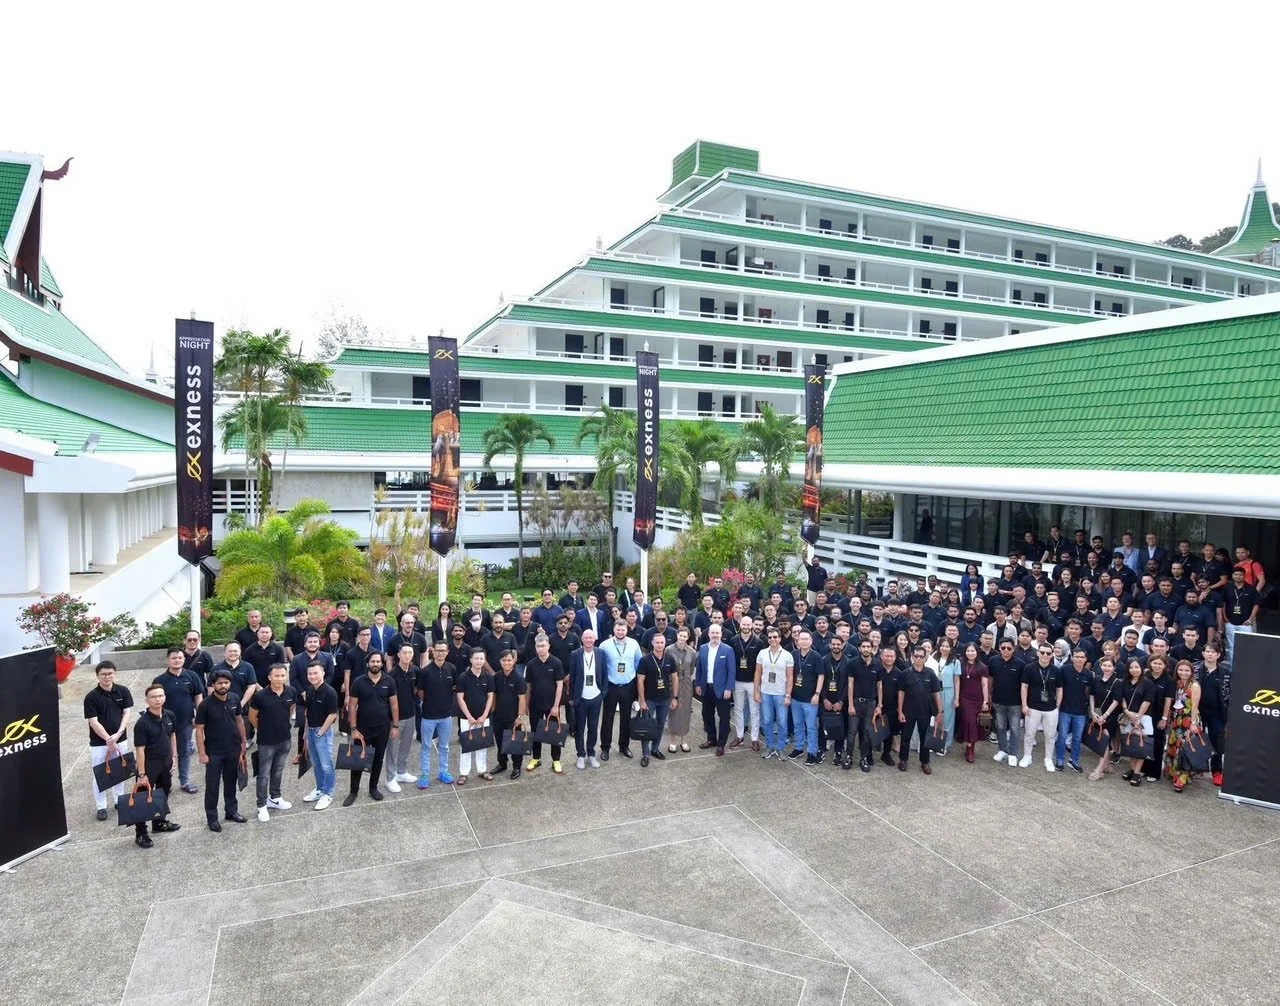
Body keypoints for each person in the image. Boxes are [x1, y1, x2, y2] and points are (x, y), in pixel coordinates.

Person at [194, 668, 248, 831]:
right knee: (212, 786)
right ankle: (212, 818)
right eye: (220, 683)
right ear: (213, 685)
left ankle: (231, 811)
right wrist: (202, 753)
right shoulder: (205, 705)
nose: (223, 686)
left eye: (226, 682)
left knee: (231, 782)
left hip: (233, 749)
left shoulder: (234, 698)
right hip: (214, 752)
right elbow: (199, 730)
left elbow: (239, 720)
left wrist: (243, 741)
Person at [346, 651, 400, 803]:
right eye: (372, 661)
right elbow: (352, 706)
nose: (375, 664)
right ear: (367, 663)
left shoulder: (389, 681)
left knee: (378, 759)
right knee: (358, 760)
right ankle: (353, 791)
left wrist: (395, 726)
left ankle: (373, 788)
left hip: (382, 728)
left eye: (378, 661)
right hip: (362, 730)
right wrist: (353, 728)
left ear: (382, 663)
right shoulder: (358, 682)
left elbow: (394, 705)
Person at [131, 683, 180, 847]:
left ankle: (159, 823)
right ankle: (140, 833)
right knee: (143, 800)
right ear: (147, 700)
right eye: (153, 697)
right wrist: (142, 774)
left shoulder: (170, 715)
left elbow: (172, 736)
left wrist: (174, 756)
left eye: (160, 695)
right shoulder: (142, 723)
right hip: (148, 765)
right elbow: (140, 750)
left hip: (165, 762)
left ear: (165, 697)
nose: (157, 699)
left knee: (163, 794)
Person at [84, 661, 134, 822]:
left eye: (110, 673)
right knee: (100, 774)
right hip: (99, 743)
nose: (107, 676)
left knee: (119, 771)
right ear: (97, 676)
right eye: (103, 674)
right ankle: (101, 807)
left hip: (120, 738)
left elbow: (126, 713)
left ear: (115, 673)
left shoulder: (123, 691)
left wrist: (118, 734)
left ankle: (119, 800)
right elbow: (93, 721)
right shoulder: (91, 697)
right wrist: (108, 739)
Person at [152, 647, 205, 795]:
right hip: (164, 724)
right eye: (174, 658)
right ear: (168, 660)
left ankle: (185, 781)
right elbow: (154, 700)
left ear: (184, 659)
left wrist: (198, 715)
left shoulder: (192, 676)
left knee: (184, 752)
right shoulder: (159, 680)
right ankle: (164, 784)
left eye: (180, 658)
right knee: (165, 754)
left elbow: (198, 697)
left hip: (186, 722)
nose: (177, 660)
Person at [248, 663, 296, 822]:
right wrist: (262, 729)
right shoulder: (260, 696)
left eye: (283, 675)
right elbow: (252, 717)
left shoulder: (291, 691)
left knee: (278, 770)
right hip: (266, 742)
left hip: (285, 739)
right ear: (269, 677)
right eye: (276, 675)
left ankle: (275, 798)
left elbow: (290, 710)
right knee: (263, 775)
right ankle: (261, 805)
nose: (280, 678)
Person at [416, 640, 457, 788]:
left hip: (446, 716)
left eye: (443, 650)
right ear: (432, 651)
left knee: (444, 746)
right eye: (438, 650)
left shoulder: (451, 669)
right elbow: (420, 691)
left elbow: (454, 687)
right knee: (426, 746)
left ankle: (443, 772)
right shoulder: (425, 671)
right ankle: (425, 774)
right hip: (428, 716)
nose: (440, 653)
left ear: (447, 652)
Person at [897, 647, 944, 774]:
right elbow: (901, 693)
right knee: (905, 737)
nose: (918, 658)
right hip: (908, 711)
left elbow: (936, 693)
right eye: (916, 656)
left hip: (925, 711)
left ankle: (925, 762)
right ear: (912, 656)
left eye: (921, 656)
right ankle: (903, 760)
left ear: (925, 657)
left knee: (925, 738)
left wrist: (940, 711)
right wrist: (900, 711)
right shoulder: (905, 673)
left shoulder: (930, 673)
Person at [523, 633, 566, 774]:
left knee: (554, 733)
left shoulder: (556, 663)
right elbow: (528, 687)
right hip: (535, 704)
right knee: (535, 732)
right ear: (535, 647)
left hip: (552, 705)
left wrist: (556, 706)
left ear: (548, 646)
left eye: (543, 646)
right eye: (538, 646)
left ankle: (556, 760)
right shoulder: (531, 664)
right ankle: (536, 758)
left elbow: (560, 685)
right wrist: (527, 705)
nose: (540, 649)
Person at [600, 619, 642, 760]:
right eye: (618, 629)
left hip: (628, 686)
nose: (620, 632)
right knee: (607, 718)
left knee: (626, 718)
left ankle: (624, 746)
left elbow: (638, 664)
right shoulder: (604, 645)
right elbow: (600, 667)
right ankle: (605, 747)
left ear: (626, 630)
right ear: (614, 630)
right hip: (611, 686)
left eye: (623, 629)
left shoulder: (634, 644)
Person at [300, 661, 339, 810]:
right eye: (310, 673)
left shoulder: (330, 692)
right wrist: (305, 731)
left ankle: (328, 793)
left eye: (316, 673)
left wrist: (321, 732)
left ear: (323, 673)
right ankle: (320, 789)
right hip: (311, 731)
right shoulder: (309, 690)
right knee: (316, 764)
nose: (313, 676)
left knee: (326, 764)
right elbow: (307, 712)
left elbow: (332, 714)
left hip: (323, 732)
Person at [636, 632, 677, 767]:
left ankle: (655, 748)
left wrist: (674, 697)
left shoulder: (670, 658)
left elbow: (675, 678)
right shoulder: (645, 660)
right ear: (652, 643)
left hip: (665, 699)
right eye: (657, 642)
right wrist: (642, 700)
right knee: (646, 727)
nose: (660, 645)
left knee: (660, 726)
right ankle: (646, 754)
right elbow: (640, 681)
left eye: (662, 642)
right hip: (649, 699)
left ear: (665, 644)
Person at [1019, 644, 1063, 771]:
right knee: (1029, 734)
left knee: (1050, 736)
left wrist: (1057, 706)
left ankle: (1048, 758)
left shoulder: (1056, 670)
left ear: (1052, 654)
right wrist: (1024, 705)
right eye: (1042, 652)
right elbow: (1024, 687)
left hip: (1051, 709)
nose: (1045, 656)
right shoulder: (1029, 668)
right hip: (1033, 707)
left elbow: (1059, 689)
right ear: (1037, 653)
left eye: (1048, 653)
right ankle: (1027, 756)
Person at [753, 627, 793, 760]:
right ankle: (770, 746)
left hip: (781, 693)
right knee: (767, 721)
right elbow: (758, 673)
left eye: (775, 637)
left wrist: (788, 695)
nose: (772, 639)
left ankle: (780, 748)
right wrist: (756, 691)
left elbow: (790, 677)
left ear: (780, 638)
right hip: (766, 692)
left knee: (782, 721)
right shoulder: (762, 653)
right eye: (770, 637)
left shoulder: (787, 655)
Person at [383, 645, 419, 791]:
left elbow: (416, 690)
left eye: (410, 652)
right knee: (392, 748)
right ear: (398, 654)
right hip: (395, 719)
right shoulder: (391, 675)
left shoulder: (414, 671)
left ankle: (401, 772)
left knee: (406, 745)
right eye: (404, 652)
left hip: (411, 714)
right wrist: (395, 723)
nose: (407, 655)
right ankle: (390, 778)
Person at [456, 648, 495, 784]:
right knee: (466, 745)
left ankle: (482, 770)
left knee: (482, 744)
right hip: (466, 718)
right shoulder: (463, 677)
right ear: (471, 659)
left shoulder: (489, 677)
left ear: (484, 660)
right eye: (476, 658)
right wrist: (469, 717)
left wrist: (485, 715)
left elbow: (490, 697)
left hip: (484, 717)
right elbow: (460, 698)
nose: (479, 661)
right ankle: (463, 773)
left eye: (481, 659)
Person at [696, 623, 735, 755]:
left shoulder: (728, 650)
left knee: (724, 717)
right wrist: (698, 685)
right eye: (712, 633)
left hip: (722, 690)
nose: (715, 635)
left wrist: (729, 688)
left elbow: (731, 671)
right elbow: (700, 668)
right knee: (707, 715)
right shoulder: (703, 648)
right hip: (706, 688)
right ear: (708, 634)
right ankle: (711, 739)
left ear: (721, 634)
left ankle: (721, 743)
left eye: (717, 633)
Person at [1165, 659, 1202, 792]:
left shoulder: (1195, 686)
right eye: (1181, 670)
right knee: (1174, 746)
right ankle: (1173, 773)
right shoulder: (1177, 683)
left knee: (1184, 749)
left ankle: (1182, 778)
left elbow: (1195, 707)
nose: (1183, 672)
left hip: (1188, 720)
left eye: (1186, 670)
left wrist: (1193, 723)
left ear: (1191, 671)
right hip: (1176, 719)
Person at [569, 629, 604, 769]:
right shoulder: (575, 654)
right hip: (580, 698)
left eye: (591, 637)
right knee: (580, 728)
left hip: (596, 696)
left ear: (594, 639)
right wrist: (572, 697)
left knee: (593, 728)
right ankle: (581, 755)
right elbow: (572, 677)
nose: (588, 640)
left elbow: (604, 674)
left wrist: (603, 693)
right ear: (581, 639)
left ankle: (591, 754)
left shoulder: (601, 653)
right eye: (586, 638)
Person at [1195, 642, 1229, 787]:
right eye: (1207, 651)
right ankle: (1198, 767)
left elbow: (1229, 694)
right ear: (1203, 654)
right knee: (1197, 739)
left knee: (1218, 741)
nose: (1210, 654)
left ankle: (1217, 771)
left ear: (1218, 655)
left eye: (1213, 652)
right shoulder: (1195, 669)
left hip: (1217, 713)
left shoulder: (1226, 672)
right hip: (1197, 711)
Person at [492, 649, 529, 780]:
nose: (506, 662)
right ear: (500, 662)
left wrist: (520, 716)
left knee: (515, 743)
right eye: (504, 660)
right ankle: (502, 764)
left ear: (514, 661)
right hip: (497, 716)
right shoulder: (496, 677)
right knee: (500, 742)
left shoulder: (518, 678)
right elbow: (493, 696)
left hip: (513, 718)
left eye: (509, 660)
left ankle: (516, 766)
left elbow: (522, 699)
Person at [1054, 647, 1093, 773]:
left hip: (1081, 712)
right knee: (1062, 736)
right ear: (1072, 657)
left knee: (1077, 738)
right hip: (1065, 709)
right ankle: (1060, 760)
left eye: (1082, 657)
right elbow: (1058, 688)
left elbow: (1088, 692)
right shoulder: (1064, 670)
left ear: (1086, 659)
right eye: (1076, 656)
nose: (1079, 659)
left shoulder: (1088, 674)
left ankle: (1074, 761)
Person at [789, 630, 825, 764]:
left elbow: (821, 676)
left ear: (811, 641)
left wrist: (817, 694)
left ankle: (812, 752)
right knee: (798, 725)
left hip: (810, 699)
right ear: (797, 641)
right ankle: (799, 748)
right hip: (795, 697)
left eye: (806, 639)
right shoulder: (793, 654)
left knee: (811, 727)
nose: (803, 641)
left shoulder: (816, 657)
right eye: (801, 639)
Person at [1119, 657, 1154, 787]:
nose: (1134, 670)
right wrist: (1126, 711)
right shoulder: (1124, 682)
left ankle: (1137, 773)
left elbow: (1147, 701)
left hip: (1143, 717)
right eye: (1131, 667)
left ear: (1141, 668)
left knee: (1140, 744)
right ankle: (1133, 769)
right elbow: (1121, 698)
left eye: (1137, 667)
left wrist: (1138, 716)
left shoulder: (1147, 683)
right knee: (1130, 743)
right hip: (1128, 716)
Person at [1086, 656, 1122, 781]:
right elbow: (1091, 695)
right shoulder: (1096, 679)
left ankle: (1100, 769)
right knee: (1103, 740)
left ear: (1114, 667)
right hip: (1096, 714)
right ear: (1101, 666)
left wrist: (1105, 715)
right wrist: (1092, 712)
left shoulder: (1117, 682)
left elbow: (1116, 701)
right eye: (1104, 665)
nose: (1107, 668)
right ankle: (1106, 765)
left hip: (1109, 716)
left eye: (1109, 666)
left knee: (1105, 741)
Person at [730, 617, 763, 751]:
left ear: (752, 625)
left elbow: (761, 664)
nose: (745, 626)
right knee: (738, 709)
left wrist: (758, 683)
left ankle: (755, 739)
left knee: (754, 711)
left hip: (752, 682)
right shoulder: (733, 640)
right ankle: (739, 736)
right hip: (737, 681)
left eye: (748, 624)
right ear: (740, 624)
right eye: (743, 624)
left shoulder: (759, 642)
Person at [1143, 654, 1175, 783]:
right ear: (1150, 664)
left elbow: (1168, 701)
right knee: (1145, 740)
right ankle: (1144, 768)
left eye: (1160, 664)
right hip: (1145, 713)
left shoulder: (1169, 680)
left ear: (1165, 665)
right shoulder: (1145, 676)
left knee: (1157, 743)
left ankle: (1155, 772)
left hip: (1159, 714)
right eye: (1154, 663)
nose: (1157, 666)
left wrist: (1164, 718)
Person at [666, 626, 698, 754]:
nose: (682, 638)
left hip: (686, 683)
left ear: (688, 637)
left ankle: (684, 740)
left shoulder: (692, 652)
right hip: (672, 682)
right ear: (677, 635)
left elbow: (691, 668)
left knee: (685, 712)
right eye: (681, 635)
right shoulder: (668, 650)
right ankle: (673, 741)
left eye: (685, 636)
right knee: (673, 710)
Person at [955, 642, 989, 763]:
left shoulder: (983, 667)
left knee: (974, 723)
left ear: (977, 652)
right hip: (964, 697)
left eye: (973, 651)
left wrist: (986, 701)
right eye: (968, 651)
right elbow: (957, 680)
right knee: (969, 721)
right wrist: (957, 697)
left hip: (978, 698)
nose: (970, 653)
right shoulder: (960, 663)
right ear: (965, 652)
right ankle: (969, 746)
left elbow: (985, 684)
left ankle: (970, 747)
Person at [243, 624, 286, 688]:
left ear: (271, 634)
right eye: (262, 632)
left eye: (267, 632)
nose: (264, 634)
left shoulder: (278, 649)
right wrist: (257, 687)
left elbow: (281, 668)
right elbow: (247, 670)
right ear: (258, 634)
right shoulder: (249, 650)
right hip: (255, 686)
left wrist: (272, 685)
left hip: (274, 685)